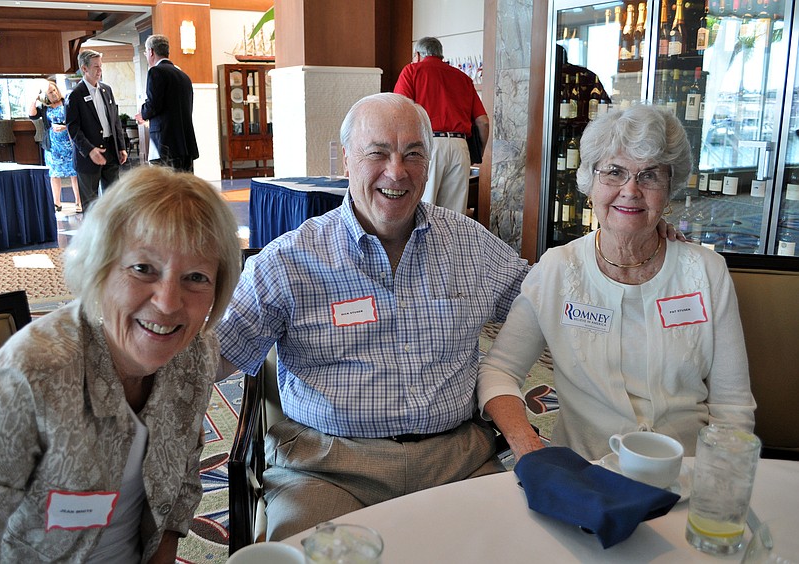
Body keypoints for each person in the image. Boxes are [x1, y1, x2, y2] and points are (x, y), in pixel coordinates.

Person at [216, 92, 530, 541]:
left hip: (457, 459)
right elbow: (215, 355)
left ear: (429, 164)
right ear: (347, 160)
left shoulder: (469, 243)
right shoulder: (290, 260)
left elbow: (542, 302)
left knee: (520, 548)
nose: (396, 172)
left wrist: (611, 254)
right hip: (328, 468)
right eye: (377, 153)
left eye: (413, 154)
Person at [0, 166, 241, 561]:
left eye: (196, 277)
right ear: (100, 268)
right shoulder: (34, 373)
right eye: (143, 269)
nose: (169, 302)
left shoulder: (196, 355)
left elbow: (181, 484)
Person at [478, 104, 756, 463]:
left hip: (685, 471)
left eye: (649, 175)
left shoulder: (706, 272)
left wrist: (715, 479)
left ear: (669, 188)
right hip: (584, 472)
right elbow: (499, 370)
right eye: (614, 172)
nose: (631, 190)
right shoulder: (558, 269)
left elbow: (732, 406)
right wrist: (530, 449)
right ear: (590, 183)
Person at [394, 36, 489, 214]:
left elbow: (400, 111)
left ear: (417, 55)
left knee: (423, 208)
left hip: (428, 143)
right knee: (454, 215)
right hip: (460, 147)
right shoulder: (463, 78)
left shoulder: (412, 71)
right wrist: (477, 153)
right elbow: (483, 122)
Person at [66, 49, 127, 210]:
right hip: (88, 156)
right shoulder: (75, 95)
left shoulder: (107, 90)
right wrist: (90, 150)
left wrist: (121, 146)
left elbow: (115, 120)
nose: (100, 70)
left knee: (113, 201)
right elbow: (73, 128)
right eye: (96, 67)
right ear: (84, 68)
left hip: (110, 151)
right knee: (91, 205)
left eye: (100, 66)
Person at [135, 34, 199, 173]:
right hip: (185, 143)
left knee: (167, 184)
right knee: (184, 184)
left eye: (146, 52)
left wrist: (143, 114)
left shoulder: (156, 72)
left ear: (151, 51)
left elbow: (154, 104)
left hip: (165, 143)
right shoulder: (184, 76)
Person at [29, 80, 83, 213]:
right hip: (53, 146)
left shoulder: (67, 102)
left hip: (69, 143)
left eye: (54, 90)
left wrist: (65, 127)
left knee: (74, 173)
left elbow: (77, 120)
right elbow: (32, 115)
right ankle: (56, 202)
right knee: (54, 174)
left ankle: (78, 201)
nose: (53, 93)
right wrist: (34, 99)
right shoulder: (44, 108)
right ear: (45, 95)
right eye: (50, 92)